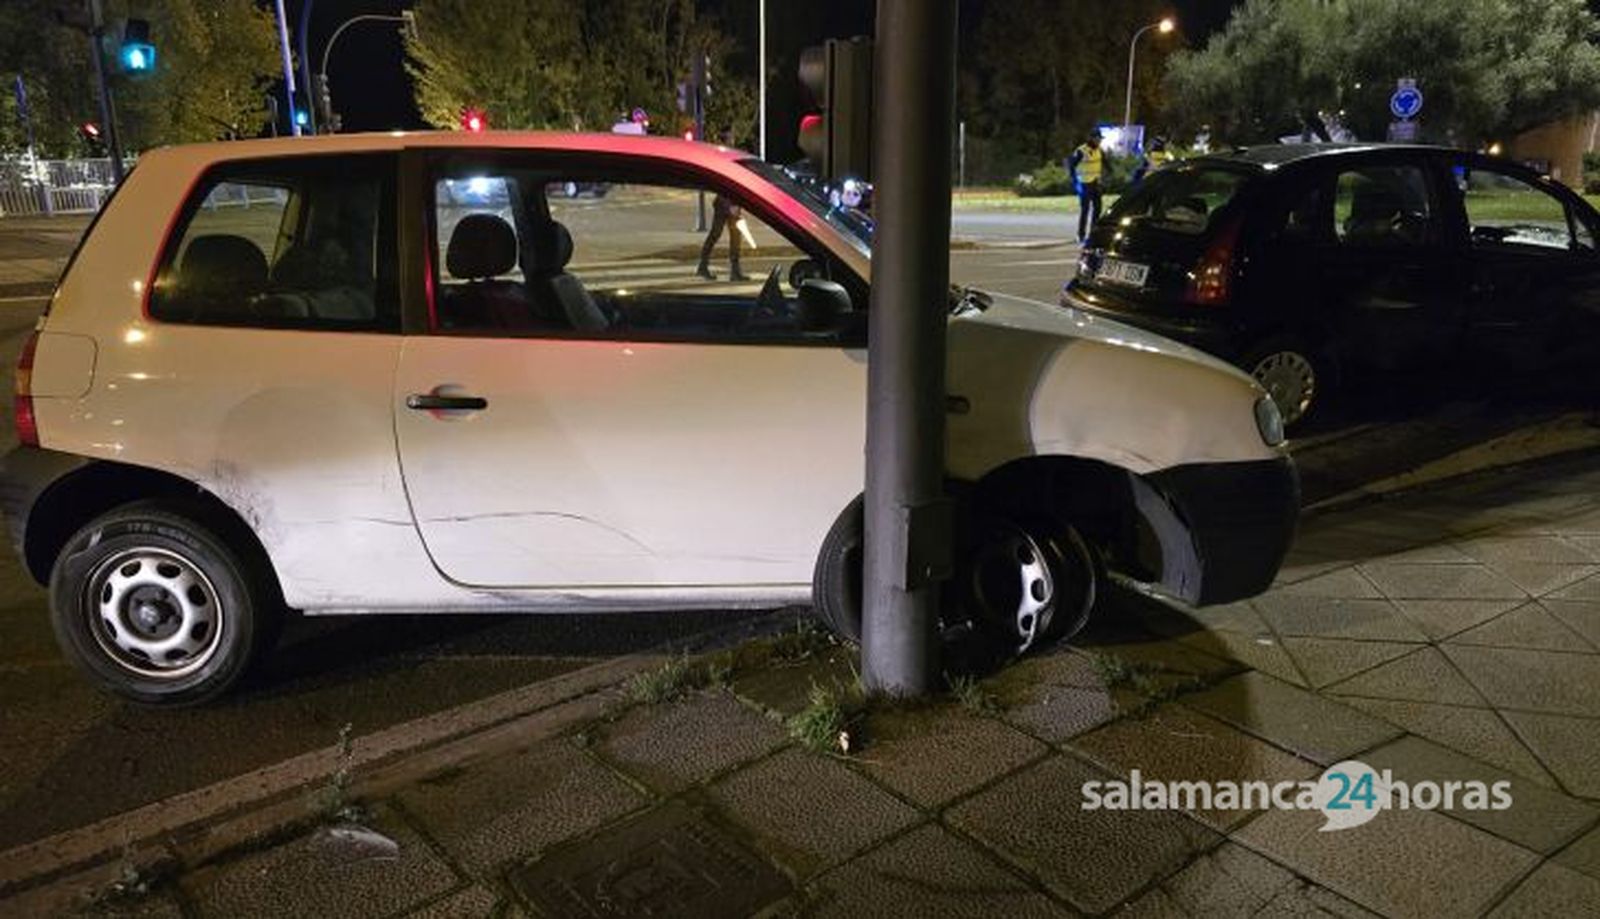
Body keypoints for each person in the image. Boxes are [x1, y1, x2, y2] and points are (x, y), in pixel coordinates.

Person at [1066, 133, 1104, 243]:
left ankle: (1093, 233)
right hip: (1084, 183)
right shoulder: (1081, 150)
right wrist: (1075, 182)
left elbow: (1104, 161)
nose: (1099, 141)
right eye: (1097, 139)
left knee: (1098, 208)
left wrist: (1110, 170)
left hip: (1095, 183)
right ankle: (1081, 234)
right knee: (1085, 210)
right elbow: (1071, 165)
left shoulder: (1099, 150)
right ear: (1091, 138)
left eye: (1100, 139)